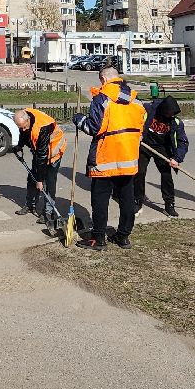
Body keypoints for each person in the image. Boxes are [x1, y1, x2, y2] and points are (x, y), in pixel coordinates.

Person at [73, 65, 147, 250]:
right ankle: (123, 236)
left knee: (100, 199)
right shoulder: (136, 100)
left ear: (104, 80)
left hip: (105, 158)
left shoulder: (102, 99)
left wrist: (79, 119)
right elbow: (141, 126)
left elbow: (94, 128)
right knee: (126, 198)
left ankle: (98, 239)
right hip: (128, 157)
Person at [11, 108, 66, 226]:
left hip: (53, 151)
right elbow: (25, 133)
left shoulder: (42, 128)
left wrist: (40, 180)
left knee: (48, 182)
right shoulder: (25, 117)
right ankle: (30, 205)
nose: (23, 129)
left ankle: (48, 212)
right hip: (41, 151)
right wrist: (20, 145)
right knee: (32, 178)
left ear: (28, 120)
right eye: (20, 127)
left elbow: (42, 157)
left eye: (24, 126)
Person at [136, 96, 189, 216]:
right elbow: (133, 120)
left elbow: (183, 142)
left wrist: (177, 158)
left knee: (166, 175)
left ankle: (169, 204)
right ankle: (137, 201)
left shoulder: (176, 123)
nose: (171, 115)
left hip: (162, 147)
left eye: (173, 113)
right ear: (163, 110)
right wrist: (136, 135)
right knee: (139, 172)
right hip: (145, 144)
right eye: (169, 113)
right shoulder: (148, 111)